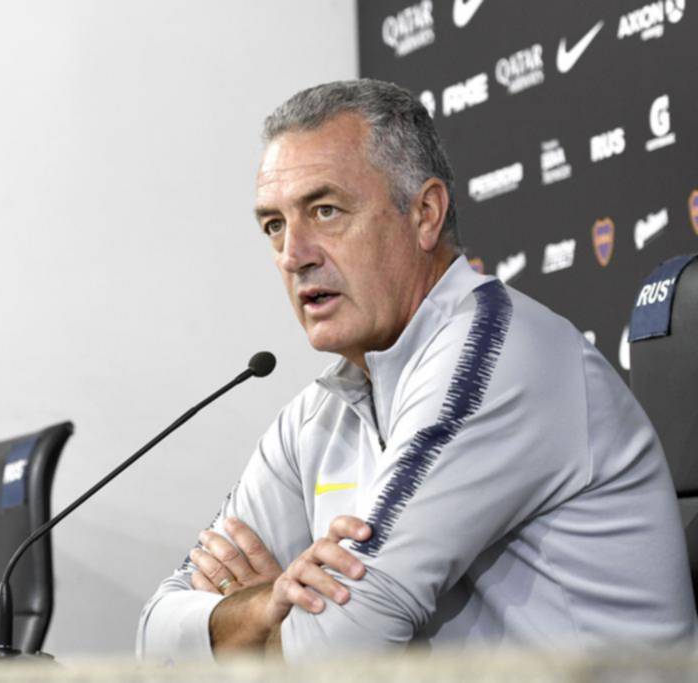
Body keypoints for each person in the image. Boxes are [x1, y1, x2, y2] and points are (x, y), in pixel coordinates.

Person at [136, 79, 696, 661]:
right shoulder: (315, 416)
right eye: (274, 224)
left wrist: (249, 635)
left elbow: (339, 650)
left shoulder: (499, 359)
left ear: (425, 213)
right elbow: (155, 643)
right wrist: (261, 606)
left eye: (325, 211)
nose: (293, 254)